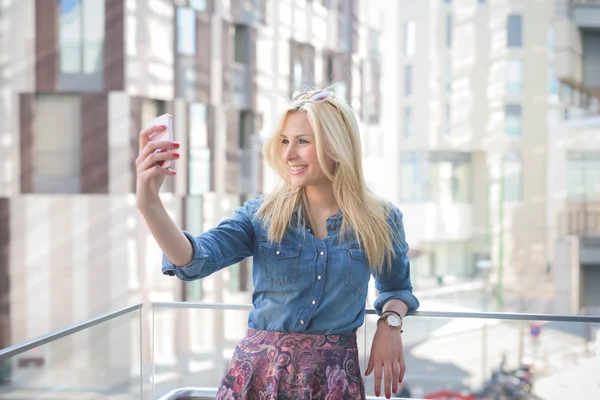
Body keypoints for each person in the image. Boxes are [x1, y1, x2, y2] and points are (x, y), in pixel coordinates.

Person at [136, 85, 419, 400]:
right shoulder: (261, 214)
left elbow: (396, 288)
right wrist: (149, 203)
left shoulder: (381, 218)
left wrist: (389, 324)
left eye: (302, 142)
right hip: (256, 381)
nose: (288, 154)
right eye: (284, 141)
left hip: (332, 384)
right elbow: (195, 259)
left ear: (337, 146)